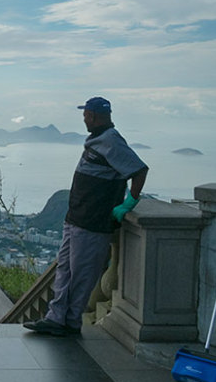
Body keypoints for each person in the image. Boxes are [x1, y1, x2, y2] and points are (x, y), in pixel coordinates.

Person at [24, 96, 148, 336]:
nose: (83, 118)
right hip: (76, 218)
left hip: (93, 222)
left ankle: (69, 322)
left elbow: (139, 170)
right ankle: (57, 317)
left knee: (81, 274)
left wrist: (129, 202)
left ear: (93, 115)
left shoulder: (112, 140)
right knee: (65, 270)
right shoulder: (97, 140)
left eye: (85, 114)